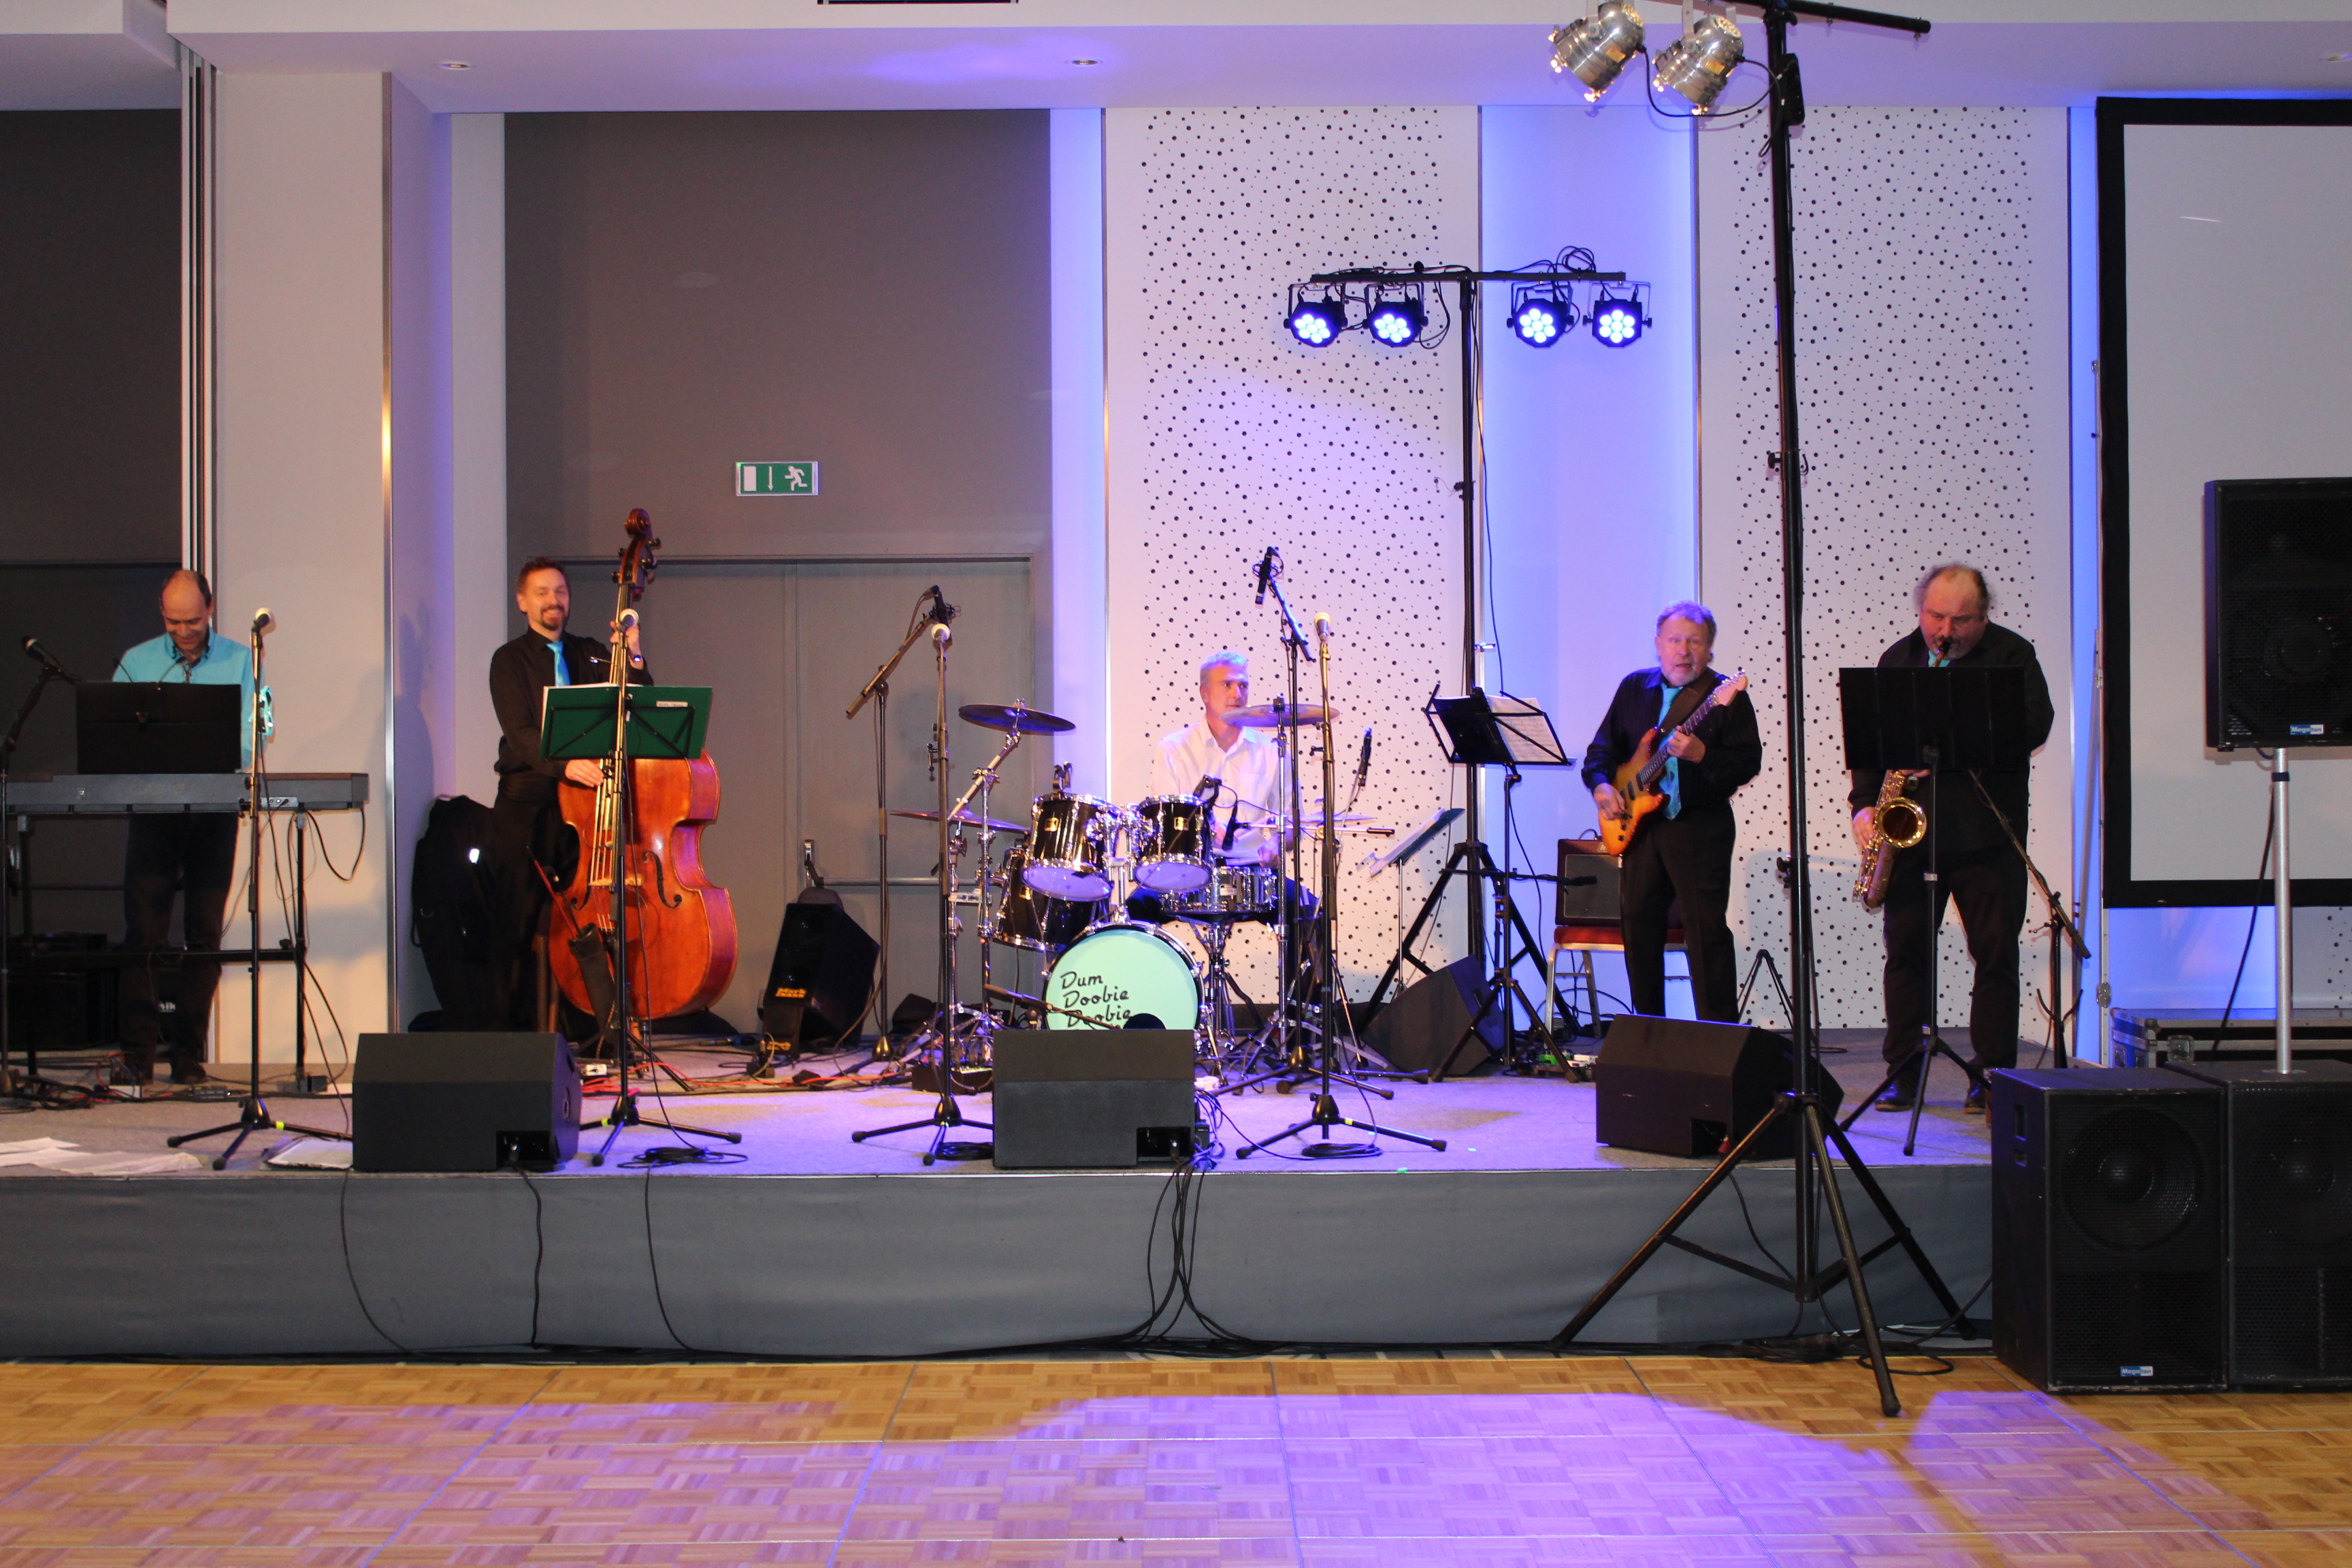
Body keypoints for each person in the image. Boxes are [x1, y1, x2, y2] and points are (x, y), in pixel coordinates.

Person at [1850, 564, 2054, 1113]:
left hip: (1987, 834)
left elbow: (2035, 726)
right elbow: (1872, 743)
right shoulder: (1899, 660)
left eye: (1961, 621)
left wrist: (1952, 743)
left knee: (1994, 954)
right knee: (1906, 953)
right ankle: (1903, 1071)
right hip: (1912, 835)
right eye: (1936, 617)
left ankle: (1992, 1075)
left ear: (1984, 617)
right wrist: (1864, 805)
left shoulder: (2012, 657)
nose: (1945, 631)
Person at [110, 569, 263, 1085]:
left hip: (214, 812)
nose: (184, 631)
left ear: (210, 609)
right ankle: (137, 1056)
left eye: (193, 621)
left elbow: (258, 731)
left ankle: (188, 1055)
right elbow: (115, 736)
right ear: (162, 613)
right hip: (155, 813)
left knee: (205, 935)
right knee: (144, 933)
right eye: (174, 622)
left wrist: (213, 751)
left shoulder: (243, 660)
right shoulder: (136, 662)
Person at [485, 556, 647, 1030]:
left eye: (560, 591)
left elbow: (638, 698)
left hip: (583, 808)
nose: (553, 600)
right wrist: (564, 765)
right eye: (541, 592)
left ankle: (591, 1030)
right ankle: (503, 1041)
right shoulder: (508, 661)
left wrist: (633, 655)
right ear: (522, 602)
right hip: (527, 805)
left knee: (588, 924)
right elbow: (520, 734)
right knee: (514, 927)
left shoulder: (593, 653)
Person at [1582, 602, 1762, 1022]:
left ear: (1710, 649)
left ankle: (1717, 1035)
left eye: (1695, 642)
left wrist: (1703, 755)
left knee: (1705, 932)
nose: (1684, 651)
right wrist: (1602, 786)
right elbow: (1601, 751)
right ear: (1659, 645)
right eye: (1675, 641)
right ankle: (1649, 1031)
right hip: (1641, 828)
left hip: (1700, 824)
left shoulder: (1726, 696)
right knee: (1639, 927)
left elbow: (1748, 763)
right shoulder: (1634, 688)